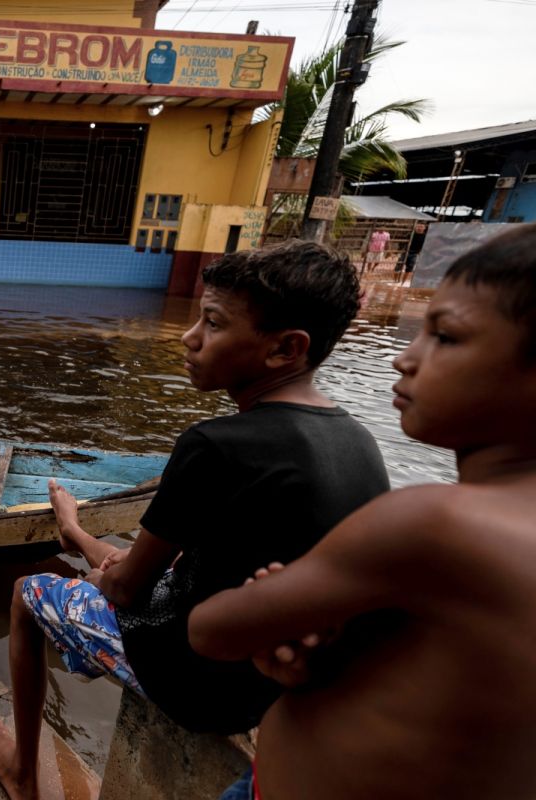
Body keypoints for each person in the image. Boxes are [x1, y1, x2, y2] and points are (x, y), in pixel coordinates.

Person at [0, 241, 390, 800]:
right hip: (271, 684)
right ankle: (72, 529)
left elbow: (124, 589)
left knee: (29, 593)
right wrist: (80, 539)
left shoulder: (214, 446)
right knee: (142, 563)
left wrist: (105, 579)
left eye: (213, 323)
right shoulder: (359, 442)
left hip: (200, 684)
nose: (188, 336)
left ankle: (24, 776)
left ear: (285, 349)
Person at [191, 223, 536, 800]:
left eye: (446, 337)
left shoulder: (436, 523)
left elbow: (213, 629)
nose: (404, 358)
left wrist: (271, 606)